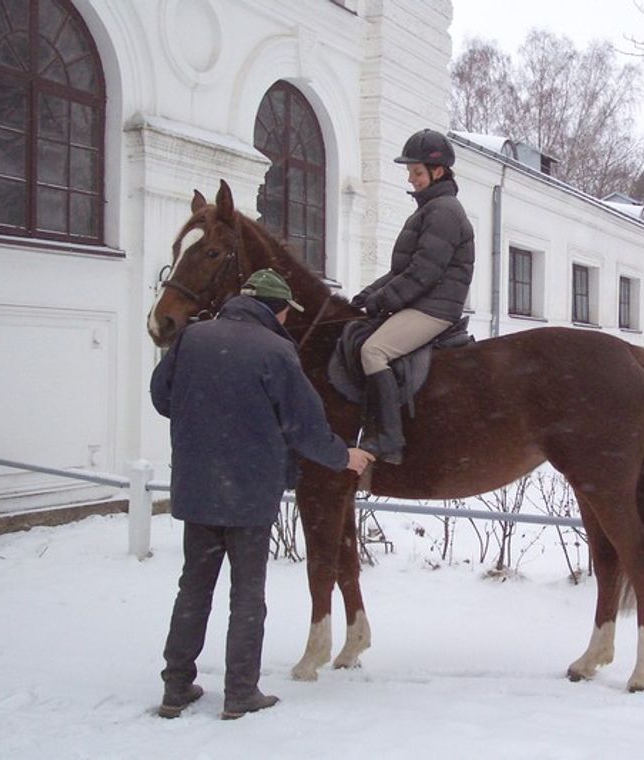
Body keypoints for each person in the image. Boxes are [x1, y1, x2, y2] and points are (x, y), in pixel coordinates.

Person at [150, 268, 374, 720]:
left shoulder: (191, 340)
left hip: (197, 488)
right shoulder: (277, 351)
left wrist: (207, 421)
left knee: (193, 587)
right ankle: (240, 693)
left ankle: (176, 687)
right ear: (280, 309)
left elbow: (162, 398)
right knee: (247, 594)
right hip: (249, 493)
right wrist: (343, 457)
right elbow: (305, 426)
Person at [349, 128, 475, 464]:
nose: (412, 178)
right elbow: (402, 270)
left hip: (434, 309)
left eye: (416, 172)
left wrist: (384, 301)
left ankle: (389, 438)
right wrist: (368, 294)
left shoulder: (444, 211)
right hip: (423, 301)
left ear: (438, 172)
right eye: (410, 172)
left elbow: (425, 272)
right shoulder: (429, 209)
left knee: (373, 351)